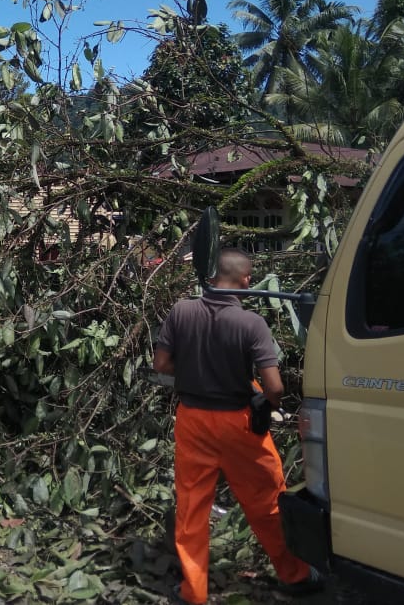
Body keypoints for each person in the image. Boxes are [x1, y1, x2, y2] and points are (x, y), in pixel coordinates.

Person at [154, 247, 323, 604]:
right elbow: (274, 387)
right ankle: (296, 575)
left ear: (212, 277)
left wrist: (196, 373)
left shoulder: (181, 311)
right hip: (239, 424)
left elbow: (162, 364)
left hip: (193, 420)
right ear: (247, 280)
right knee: (267, 501)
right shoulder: (251, 323)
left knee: (192, 508)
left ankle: (194, 593)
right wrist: (266, 403)